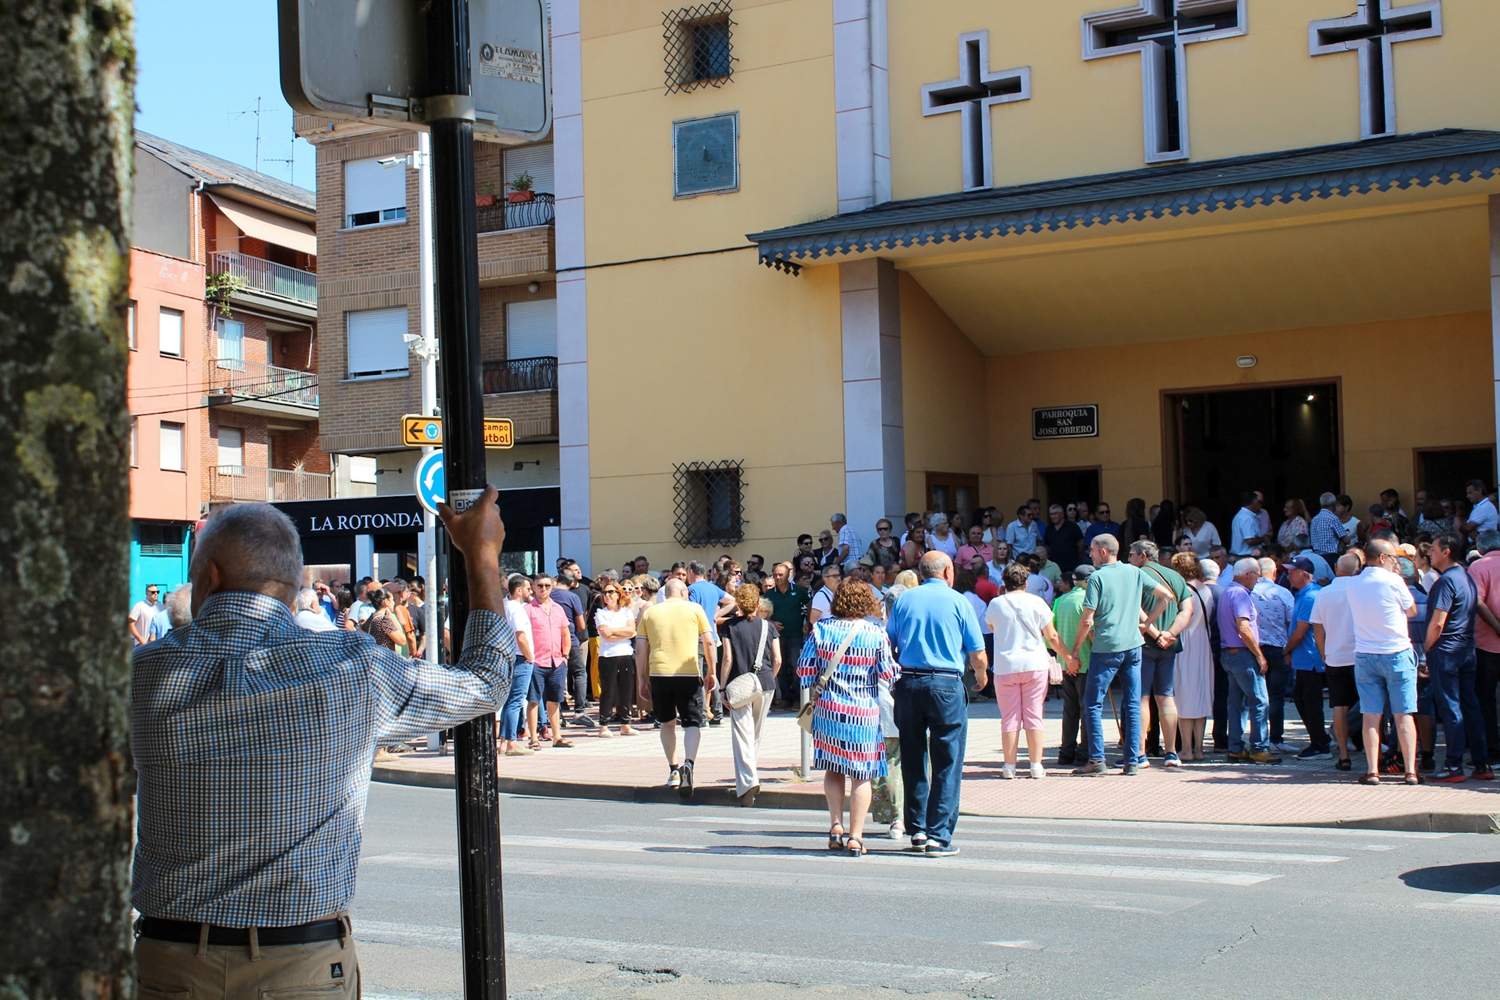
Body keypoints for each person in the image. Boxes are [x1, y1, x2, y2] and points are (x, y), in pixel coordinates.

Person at [130, 493, 514, 998]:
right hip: (300, 965)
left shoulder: (141, 674)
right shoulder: (352, 669)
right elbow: (486, 683)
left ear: (209, 578)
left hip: (170, 962)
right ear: (294, 589)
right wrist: (481, 556)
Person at [886, 552, 987, 856]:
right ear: (947, 571)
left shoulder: (904, 600)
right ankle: (938, 835)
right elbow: (977, 651)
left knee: (914, 758)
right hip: (945, 683)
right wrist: (981, 677)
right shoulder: (959, 601)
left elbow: (889, 642)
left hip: (909, 682)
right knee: (947, 760)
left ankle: (916, 829)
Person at [800, 582, 897, 856]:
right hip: (863, 712)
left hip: (829, 709)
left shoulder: (822, 629)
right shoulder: (875, 633)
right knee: (861, 774)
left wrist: (822, 682)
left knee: (833, 768)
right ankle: (856, 836)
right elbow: (888, 673)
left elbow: (804, 670)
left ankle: (835, 826)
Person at [1071, 535, 1175, 775]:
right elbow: (1167, 597)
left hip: (1107, 646)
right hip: (1134, 645)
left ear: (1103, 552)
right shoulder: (1134, 572)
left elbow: (1087, 619)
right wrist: (1147, 624)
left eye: (1093, 551)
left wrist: (1076, 650)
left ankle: (1097, 759)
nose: (1091, 554)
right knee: (1132, 702)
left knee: (1093, 703)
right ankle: (1132, 760)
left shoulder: (1097, 577)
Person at [987, 563, 1074, 779]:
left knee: (1010, 718)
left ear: (1004, 582)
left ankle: (1009, 766)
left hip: (1006, 666)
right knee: (1034, 715)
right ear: (1026, 582)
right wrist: (1068, 657)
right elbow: (1051, 636)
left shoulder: (996, 604)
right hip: (1034, 664)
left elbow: (991, 627)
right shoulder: (1037, 602)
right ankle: (1036, 765)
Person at [1347, 539, 1420, 784]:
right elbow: (1412, 611)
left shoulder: (1353, 583)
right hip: (1396, 651)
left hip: (1366, 653)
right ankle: (1410, 771)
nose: (1395, 563)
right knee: (1403, 714)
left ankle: (1372, 770)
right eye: (1392, 558)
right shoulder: (1394, 581)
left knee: (1371, 715)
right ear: (1382, 558)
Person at [636, 579, 717, 798]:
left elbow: (641, 647)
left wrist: (642, 678)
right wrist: (712, 671)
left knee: (667, 723)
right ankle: (689, 763)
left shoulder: (650, 612)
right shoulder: (694, 609)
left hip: (659, 672)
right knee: (692, 723)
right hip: (688, 672)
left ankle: (673, 769)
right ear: (683, 592)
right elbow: (709, 642)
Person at [1424, 533, 1492, 781]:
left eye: (1433, 549)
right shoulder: (1466, 577)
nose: (1429, 553)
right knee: (1470, 706)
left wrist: (1428, 649)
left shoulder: (1446, 582)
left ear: (1446, 552)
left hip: (1446, 650)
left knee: (1451, 708)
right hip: (1466, 649)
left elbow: (1437, 623)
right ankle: (1481, 764)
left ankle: (1453, 765)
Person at [1126, 540, 1191, 767]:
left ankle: (1140, 753)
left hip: (1144, 643)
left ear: (1143, 556)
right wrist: (1170, 633)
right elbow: (1187, 609)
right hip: (1169, 645)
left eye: (1132, 554)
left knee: (1141, 698)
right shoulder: (1175, 577)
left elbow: (1136, 609)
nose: (1129, 558)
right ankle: (1171, 752)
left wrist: (1155, 634)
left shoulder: (1136, 575)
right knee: (1166, 696)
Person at [719, 586, 781, 805]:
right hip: (764, 683)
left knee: (741, 733)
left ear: (739, 604)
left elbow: (727, 659)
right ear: (757, 604)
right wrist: (768, 679)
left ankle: (748, 781)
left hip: (739, 684)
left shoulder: (729, 627)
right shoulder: (769, 626)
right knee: (755, 733)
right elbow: (778, 659)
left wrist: (722, 687)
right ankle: (749, 775)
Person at [1217, 558, 1278, 764]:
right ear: (1247, 574)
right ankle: (1259, 747)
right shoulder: (1240, 594)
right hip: (1242, 654)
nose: (1258, 578)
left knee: (1237, 703)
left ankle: (1235, 747)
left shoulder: (1228, 591)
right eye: (1256, 574)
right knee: (1259, 701)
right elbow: (1243, 628)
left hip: (1229, 653)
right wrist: (1260, 655)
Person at [1311, 553, 1363, 771]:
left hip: (1335, 656)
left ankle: (1343, 755)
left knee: (1339, 706)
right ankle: (1375, 752)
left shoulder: (1324, 593)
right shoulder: (1362, 589)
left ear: (1335, 567)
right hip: (1363, 653)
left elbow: (1317, 628)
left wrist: (1324, 653)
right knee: (1370, 704)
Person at [1170, 553, 1214, 761]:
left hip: (1184, 644)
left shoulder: (1182, 590)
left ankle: (1186, 748)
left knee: (1184, 695)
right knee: (1201, 694)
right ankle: (1199, 748)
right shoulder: (1206, 590)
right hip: (1203, 643)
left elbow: (1181, 620)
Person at [1285, 557, 1329, 760]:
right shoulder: (1303, 595)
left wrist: (1286, 650)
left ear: (1304, 573)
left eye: (1292, 571)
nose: (1288, 575)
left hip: (1311, 659)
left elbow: (1301, 631)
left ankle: (1320, 744)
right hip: (1304, 658)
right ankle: (1320, 740)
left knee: (1310, 702)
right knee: (1303, 699)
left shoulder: (1311, 596)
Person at [1251, 556, 1296, 754]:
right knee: (1276, 695)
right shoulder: (1283, 593)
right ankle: (1276, 738)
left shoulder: (1248, 592)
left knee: (1255, 695)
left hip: (1255, 648)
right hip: (1279, 648)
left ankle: (1257, 737)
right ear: (1274, 572)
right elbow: (1292, 622)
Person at [526, 575, 573, 749]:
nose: (543, 589)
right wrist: (528, 657)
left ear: (552, 587)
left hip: (556, 661)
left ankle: (557, 737)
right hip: (536, 661)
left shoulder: (558, 609)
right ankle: (533, 739)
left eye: (547, 585)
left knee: (555, 700)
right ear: (533, 587)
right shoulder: (528, 609)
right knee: (533, 700)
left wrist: (565, 656)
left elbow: (565, 633)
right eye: (540, 586)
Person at [1052, 565, 1093, 765]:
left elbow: (1051, 635)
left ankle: (1066, 751)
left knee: (1070, 709)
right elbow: (1092, 629)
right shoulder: (1089, 600)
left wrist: (1066, 657)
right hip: (1086, 661)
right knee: (1087, 708)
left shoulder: (1059, 601)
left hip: (1066, 663)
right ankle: (1085, 751)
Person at [1468, 529, 1500, 763]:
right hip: (1487, 641)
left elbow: (1477, 601)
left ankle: (1492, 751)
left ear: (1480, 548)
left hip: (1486, 643)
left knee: (1485, 698)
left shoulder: (1478, 567)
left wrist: (1497, 627)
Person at [594, 580, 638, 738]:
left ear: (618, 594)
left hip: (625, 653)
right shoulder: (601, 613)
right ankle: (604, 725)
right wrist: (621, 632)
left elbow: (632, 631)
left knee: (626, 690)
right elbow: (606, 635)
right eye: (605, 592)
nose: (607, 595)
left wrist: (614, 631)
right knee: (608, 691)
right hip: (608, 656)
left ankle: (626, 723)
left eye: (611, 592)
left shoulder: (626, 612)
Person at [552, 562, 593, 729]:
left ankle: (558, 710)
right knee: (579, 673)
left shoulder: (549, 596)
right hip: (571, 638)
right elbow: (582, 625)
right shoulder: (572, 597)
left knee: (557, 673)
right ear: (571, 584)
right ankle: (579, 711)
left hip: (552, 640)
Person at [765, 561, 810, 709]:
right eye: (775, 575)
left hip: (796, 634)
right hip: (777, 636)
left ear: (788, 575)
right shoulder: (769, 594)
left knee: (796, 664)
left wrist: (806, 622)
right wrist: (771, 622)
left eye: (780, 575)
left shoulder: (799, 591)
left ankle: (797, 697)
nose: (777, 578)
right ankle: (785, 698)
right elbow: (762, 613)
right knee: (780, 666)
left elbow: (809, 606)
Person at [499, 575, 535, 756]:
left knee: (508, 701)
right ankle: (512, 742)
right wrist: (530, 657)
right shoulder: (517, 609)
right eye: (528, 589)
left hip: (507, 657)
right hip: (520, 657)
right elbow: (521, 636)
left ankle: (504, 743)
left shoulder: (505, 606)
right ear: (519, 590)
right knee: (515, 701)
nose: (531, 592)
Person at [1043, 503, 1085, 574]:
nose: (1053, 516)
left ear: (1062, 514)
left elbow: (1080, 544)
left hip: (1071, 567)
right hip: (1054, 568)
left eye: (1055, 513)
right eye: (1051, 514)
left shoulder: (1073, 526)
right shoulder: (1048, 529)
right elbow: (1047, 546)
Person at [1229, 491, 1267, 558]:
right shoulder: (1247, 517)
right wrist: (1264, 538)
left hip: (1239, 556)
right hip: (1245, 557)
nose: (1261, 505)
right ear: (1254, 501)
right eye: (1260, 502)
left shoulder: (1241, 515)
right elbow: (1249, 541)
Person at [808, 562, 842, 627]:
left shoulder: (837, 593)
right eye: (835, 576)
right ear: (825, 578)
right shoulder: (820, 597)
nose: (839, 579)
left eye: (839, 575)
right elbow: (813, 621)